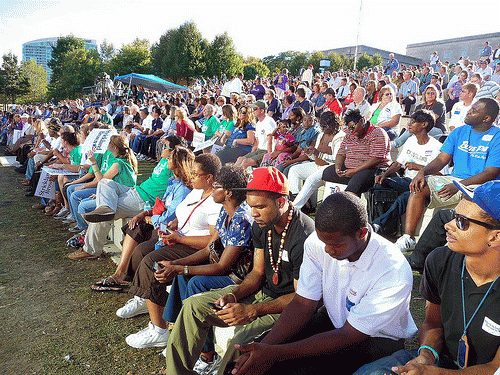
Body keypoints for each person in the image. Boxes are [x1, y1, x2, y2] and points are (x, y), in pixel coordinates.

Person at [231, 192, 416, 375]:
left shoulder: (392, 269)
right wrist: (263, 348)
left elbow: (349, 336)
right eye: (323, 241)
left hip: (377, 339)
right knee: (257, 354)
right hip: (336, 323)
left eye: (336, 245)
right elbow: (303, 303)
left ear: (362, 233)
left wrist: (275, 354)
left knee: (296, 369)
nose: (327, 250)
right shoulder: (317, 243)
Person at [164, 167, 315, 375]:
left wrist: (252, 310)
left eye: (260, 207)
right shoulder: (262, 225)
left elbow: (301, 299)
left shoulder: (304, 235)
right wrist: (233, 295)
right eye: (251, 206)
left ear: (281, 202)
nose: (253, 213)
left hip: (285, 309)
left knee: (238, 343)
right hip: (261, 294)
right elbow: (257, 273)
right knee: (193, 305)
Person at [355, 180, 500, 375]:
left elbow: (494, 368)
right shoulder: (440, 261)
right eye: (453, 216)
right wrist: (425, 357)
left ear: (495, 237)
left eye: (462, 222)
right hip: (442, 360)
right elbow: (432, 324)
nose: (448, 225)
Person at [119, 154, 222, 347]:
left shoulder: (215, 201)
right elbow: (185, 212)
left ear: (209, 177)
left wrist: (180, 238)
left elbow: (212, 241)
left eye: (196, 173)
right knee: (141, 251)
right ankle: (145, 297)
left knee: (152, 262)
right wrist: (175, 223)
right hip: (179, 237)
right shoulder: (196, 192)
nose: (191, 176)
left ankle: (159, 330)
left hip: (192, 247)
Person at [395, 98, 500, 251]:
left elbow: (491, 173)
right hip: (453, 179)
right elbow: (441, 160)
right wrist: (422, 172)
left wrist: (459, 186)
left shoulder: (497, 137)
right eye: (471, 108)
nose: (469, 111)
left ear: (486, 118)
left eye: (475, 111)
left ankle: (457, 244)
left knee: (467, 198)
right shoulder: (459, 131)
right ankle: (408, 239)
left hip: (481, 186)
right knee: (419, 186)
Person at [371, 110, 445, 235]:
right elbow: (398, 164)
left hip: (423, 185)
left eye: (413, 121)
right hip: (406, 181)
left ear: (424, 124)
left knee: (406, 196)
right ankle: (383, 226)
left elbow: (441, 175)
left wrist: (418, 167)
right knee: (380, 183)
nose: (409, 124)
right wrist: (385, 174)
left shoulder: (436, 147)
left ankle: (378, 225)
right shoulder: (410, 141)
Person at [322, 109, 390, 197]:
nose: (351, 131)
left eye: (352, 127)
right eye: (349, 128)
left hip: (372, 169)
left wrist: (354, 171)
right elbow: (341, 153)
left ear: (361, 121)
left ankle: (352, 207)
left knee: (356, 183)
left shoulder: (378, 133)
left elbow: (376, 159)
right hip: (350, 168)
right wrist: (337, 167)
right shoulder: (349, 133)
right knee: (327, 174)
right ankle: (334, 204)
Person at [289, 111, 345, 210]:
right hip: (317, 165)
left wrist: (318, 154)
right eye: (321, 126)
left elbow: (337, 159)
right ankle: (301, 201)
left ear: (331, 125)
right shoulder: (321, 134)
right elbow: (315, 157)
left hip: (330, 167)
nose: (322, 128)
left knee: (311, 180)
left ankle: (294, 208)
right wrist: (309, 153)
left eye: (324, 126)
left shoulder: (340, 137)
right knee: (294, 170)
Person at [234, 100, 276, 169]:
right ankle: (230, 176)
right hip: (259, 150)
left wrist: (269, 156)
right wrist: (252, 154)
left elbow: (270, 140)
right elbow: (256, 141)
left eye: (255, 109)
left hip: (266, 151)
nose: (253, 111)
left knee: (245, 162)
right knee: (240, 159)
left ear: (262, 110)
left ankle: (239, 178)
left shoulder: (268, 121)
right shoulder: (258, 123)